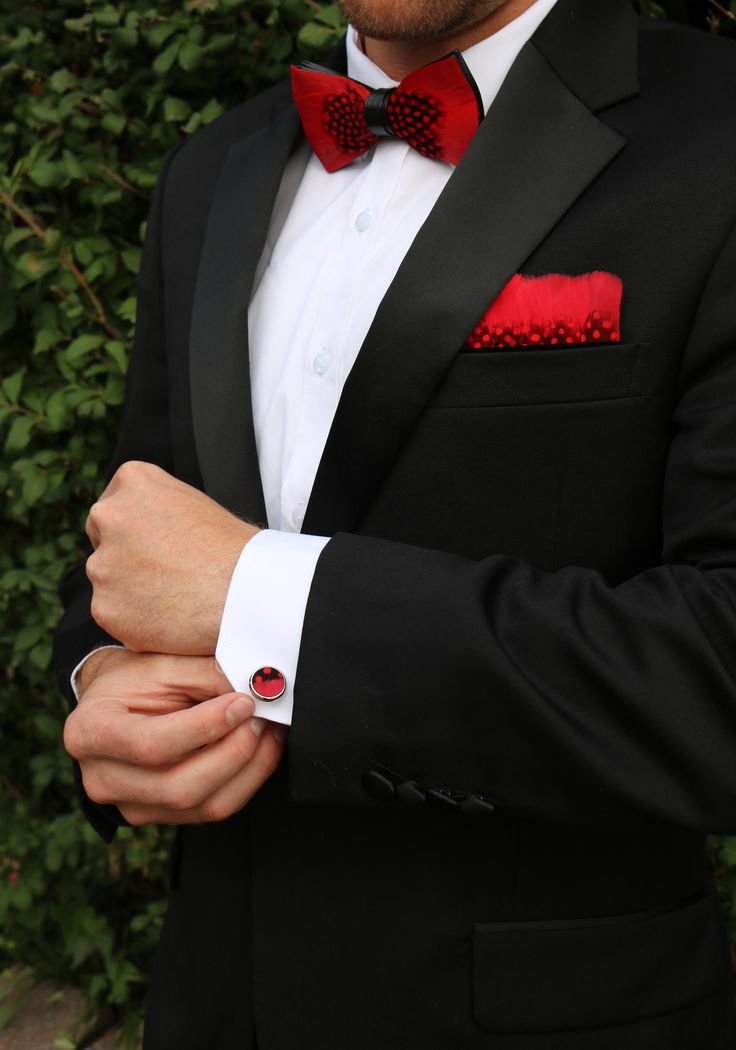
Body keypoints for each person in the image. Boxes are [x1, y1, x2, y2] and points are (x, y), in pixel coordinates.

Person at [54, 0, 736, 1046]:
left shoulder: (716, 134)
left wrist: (266, 598)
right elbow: (136, 544)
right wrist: (98, 684)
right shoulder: (210, 172)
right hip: (213, 1005)